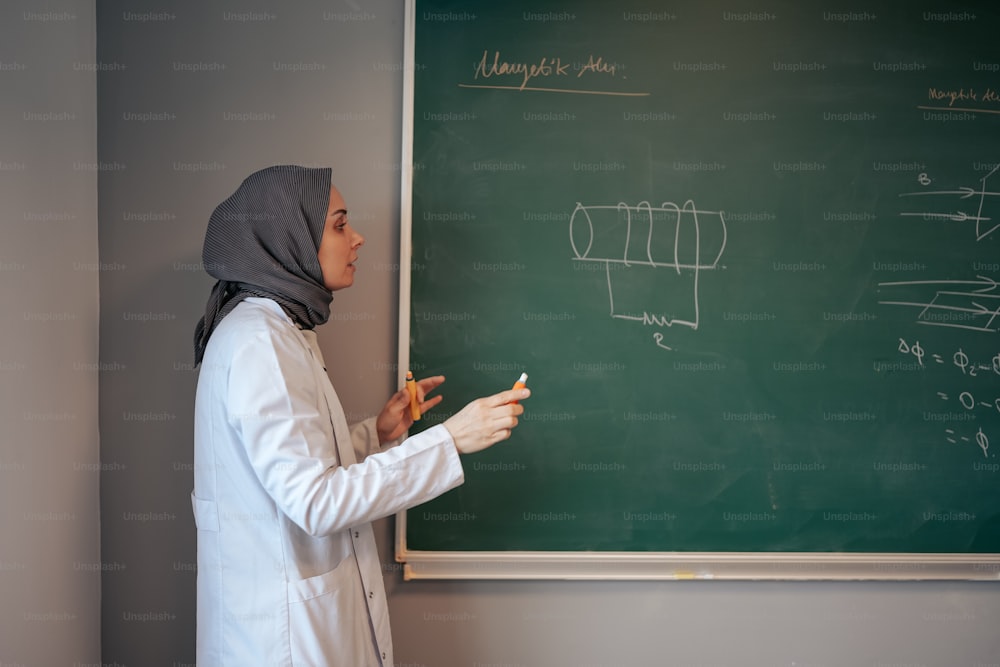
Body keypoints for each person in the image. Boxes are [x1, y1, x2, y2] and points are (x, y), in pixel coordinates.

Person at [190, 165, 529, 666]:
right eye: (340, 225)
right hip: (280, 644)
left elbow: (290, 469)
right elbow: (316, 501)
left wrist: (377, 434)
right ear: (293, 239)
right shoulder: (261, 341)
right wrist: (450, 440)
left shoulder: (275, 329)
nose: (357, 239)